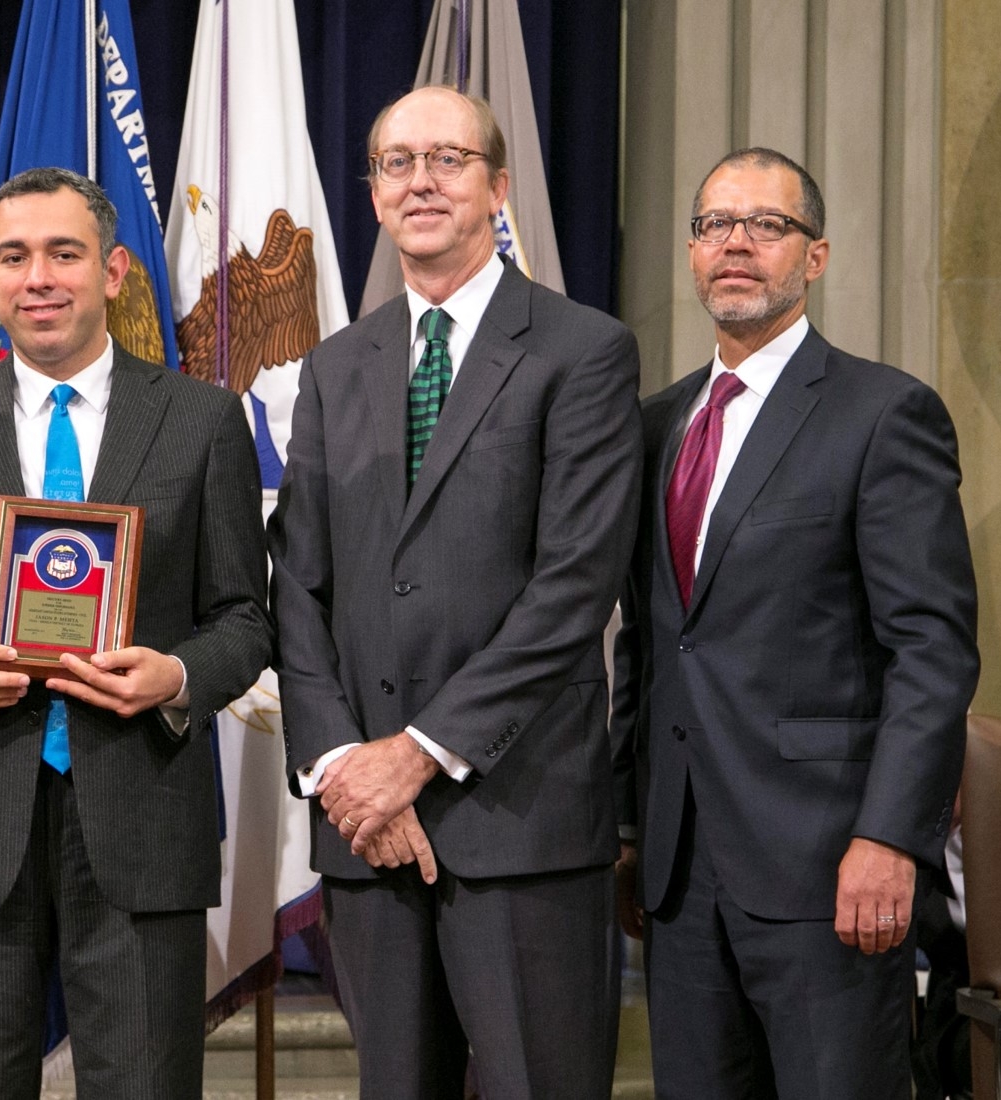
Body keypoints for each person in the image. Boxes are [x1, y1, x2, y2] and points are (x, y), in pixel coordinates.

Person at [0, 166, 271, 1098]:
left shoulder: (202, 420)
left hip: (144, 824)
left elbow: (245, 621)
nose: (39, 276)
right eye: (14, 256)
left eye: (64, 253)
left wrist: (176, 675)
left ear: (114, 271)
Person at [268, 86, 644, 1099]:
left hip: (516, 821)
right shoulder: (337, 364)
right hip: (366, 831)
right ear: (376, 195)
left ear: (498, 185)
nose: (420, 180)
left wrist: (418, 755)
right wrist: (347, 763)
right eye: (396, 163)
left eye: (448, 158)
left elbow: (575, 588)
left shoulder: (583, 351)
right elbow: (297, 584)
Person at [609, 147, 979, 1099]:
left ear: (813, 257)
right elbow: (652, 646)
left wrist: (892, 838)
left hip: (830, 873)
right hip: (682, 881)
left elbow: (932, 654)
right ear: (692, 255)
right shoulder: (656, 426)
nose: (736, 245)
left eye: (766, 226)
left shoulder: (882, 413)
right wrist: (625, 822)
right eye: (713, 226)